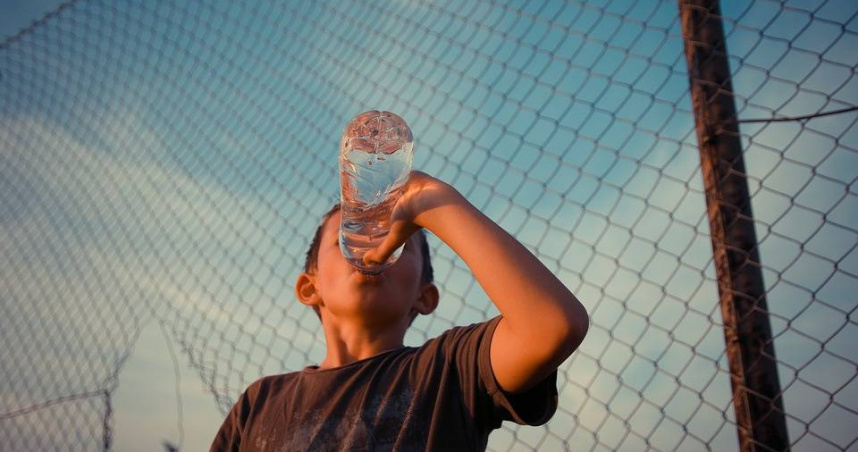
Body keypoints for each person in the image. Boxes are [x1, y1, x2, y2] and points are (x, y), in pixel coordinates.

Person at [210, 171, 589, 451]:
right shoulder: (259, 402)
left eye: (397, 241)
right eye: (351, 234)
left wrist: (433, 203)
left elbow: (553, 326)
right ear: (310, 287)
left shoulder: (450, 371)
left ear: (425, 297)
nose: (371, 248)